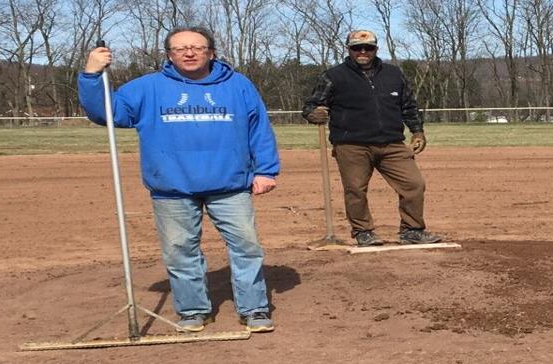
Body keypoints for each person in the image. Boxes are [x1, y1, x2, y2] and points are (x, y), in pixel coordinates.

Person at [79, 26, 279, 333]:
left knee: (246, 248)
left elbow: (259, 128)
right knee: (180, 251)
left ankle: (254, 308)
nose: (189, 53)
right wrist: (92, 75)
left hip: (231, 186)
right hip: (172, 188)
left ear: (211, 52)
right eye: (180, 48)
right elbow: (107, 113)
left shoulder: (238, 85)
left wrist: (265, 170)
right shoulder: (147, 87)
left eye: (197, 48)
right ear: (169, 55)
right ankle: (193, 310)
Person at [302, 29, 443, 247]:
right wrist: (314, 114)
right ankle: (363, 232)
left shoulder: (394, 74)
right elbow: (311, 106)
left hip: (392, 143)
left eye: (368, 48)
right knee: (356, 189)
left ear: (376, 49)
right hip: (351, 144)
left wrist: (417, 131)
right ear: (349, 49)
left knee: (414, 184)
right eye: (357, 48)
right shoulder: (333, 76)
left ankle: (412, 230)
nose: (363, 52)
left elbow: (408, 106)